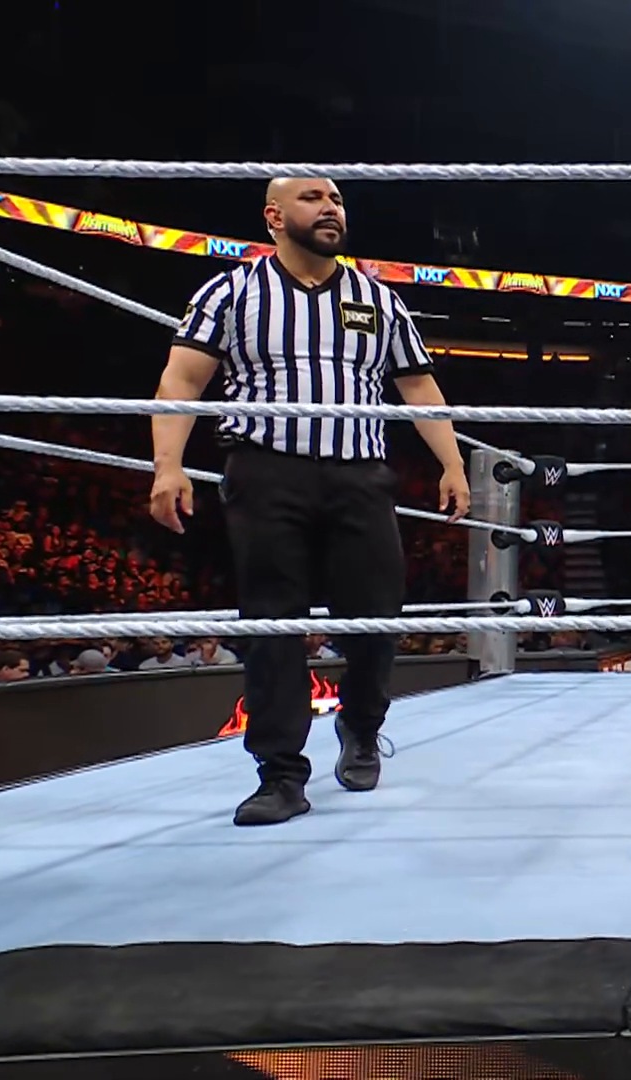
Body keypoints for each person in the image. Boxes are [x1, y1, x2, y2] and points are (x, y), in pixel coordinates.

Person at [149, 176, 471, 828]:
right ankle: (280, 774)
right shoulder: (231, 291)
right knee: (272, 623)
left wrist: (453, 462)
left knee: (378, 614)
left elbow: (418, 385)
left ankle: (361, 725)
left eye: (337, 200)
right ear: (273, 216)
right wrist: (167, 465)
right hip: (266, 471)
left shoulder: (377, 297)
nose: (330, 209)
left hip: (360, 474)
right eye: (313, 198)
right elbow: (182, 379)